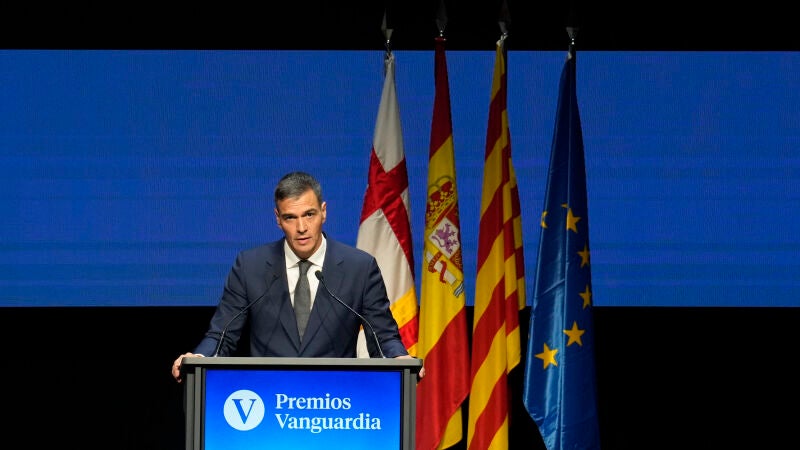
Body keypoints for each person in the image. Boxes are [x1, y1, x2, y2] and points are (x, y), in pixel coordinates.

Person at [171, 171, 422, 382]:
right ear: (278, 219)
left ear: (324, 212)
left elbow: (382, 335)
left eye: (309, 214)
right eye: (290, 217)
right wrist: (199, 359)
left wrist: (399, 359)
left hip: (336, 403)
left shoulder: (360, 268)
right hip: (269, 402)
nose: (301, 228)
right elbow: (222, 335)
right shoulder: (251, 266)